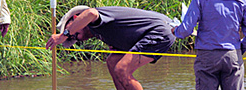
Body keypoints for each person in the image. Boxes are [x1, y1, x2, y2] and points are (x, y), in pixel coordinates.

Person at [45, 6, 176, 90]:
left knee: (122, 69)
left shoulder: (94, 20)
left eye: (74, 33)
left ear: (76, 18)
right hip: (149, 33)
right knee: (112, 61)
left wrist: (64, 34)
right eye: (73, 39)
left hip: (159, 30)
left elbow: (90, 13)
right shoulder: (99, 32)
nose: (75, 38)